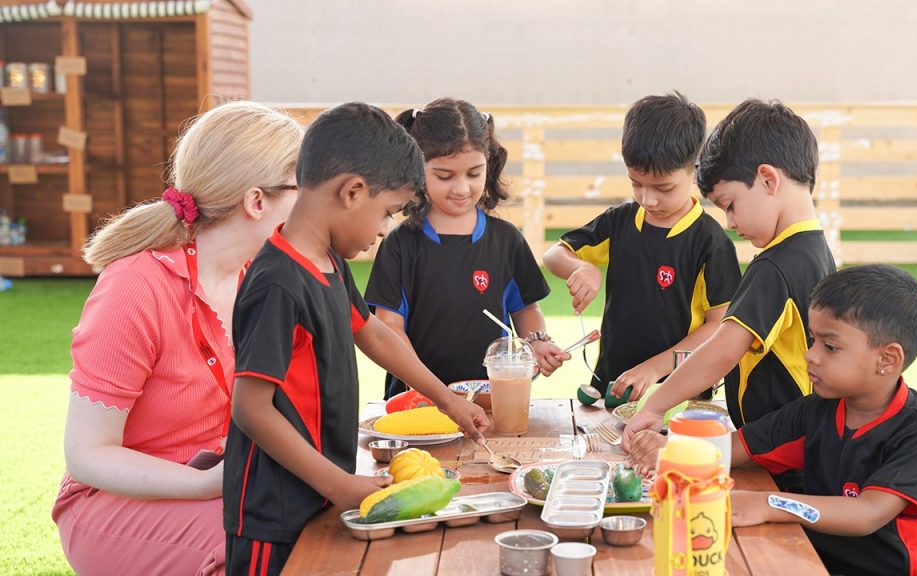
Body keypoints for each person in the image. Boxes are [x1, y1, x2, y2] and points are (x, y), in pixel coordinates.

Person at [223, 102, 490, 575]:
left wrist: (446, 399)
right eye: (386, 212)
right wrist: (338, 484)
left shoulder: (329, 263)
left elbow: (374, 335)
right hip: (273, 514)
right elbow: (251, 408)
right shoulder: (277, 283)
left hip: (319, 491)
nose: (384, 229)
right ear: (352, 192)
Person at [52, 101, 304, 576]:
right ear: (257, 202)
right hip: (113, 506)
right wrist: (210, 484)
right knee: (264, 539)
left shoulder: (255, 279)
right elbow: (87, 456)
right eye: (303, 188)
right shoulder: (135, 286)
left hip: (221, 485)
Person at [635, 265, 917, 575]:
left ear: (887, 360)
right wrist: (670, 449)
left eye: (830, 347)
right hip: (831, 561)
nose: (810, 355)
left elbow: (866, 514)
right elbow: (731, 449)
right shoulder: (814, 411)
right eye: (813, 339)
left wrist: (768, 503)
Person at [623, 99, 836, 472]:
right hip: (801, 446)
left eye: (730, 205)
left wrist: (654, 406)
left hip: (778, 459)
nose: (731, 222)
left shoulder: (774, 267)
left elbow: (722, 350)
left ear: (768, 180)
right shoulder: (817, 251)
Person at [543, 92, 741, 404]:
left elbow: (719, 327)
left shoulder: (710, 242)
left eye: (664, 188)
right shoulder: (619, 222)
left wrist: (652, 370)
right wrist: (581, 267)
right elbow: (554, 255)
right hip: (612, 386)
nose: (647, 199)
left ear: (695, 171)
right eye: (636, 183)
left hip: (678, 394)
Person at [364, 98, 568, 399]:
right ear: (417, 170)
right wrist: (429, 390)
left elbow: (526, 309)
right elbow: (389, 326)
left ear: (489, 164)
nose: (461, 188)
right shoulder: (400, 245)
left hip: (492, 398)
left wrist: (536, 342)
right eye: (444, 176)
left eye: (474, 173)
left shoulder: (507, 240)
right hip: (418, 401)